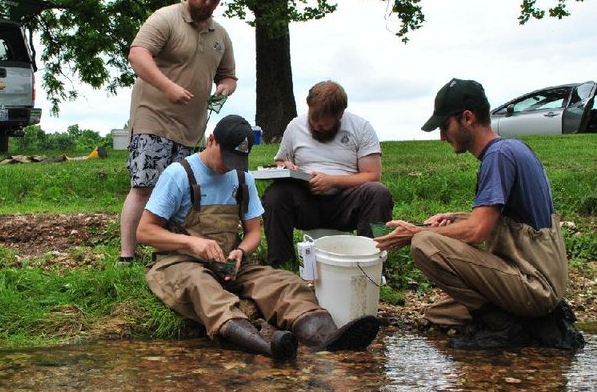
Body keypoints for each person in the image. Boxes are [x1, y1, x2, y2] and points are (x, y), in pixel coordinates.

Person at [136, 114, 380, 360]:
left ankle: (325, 338)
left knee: (285, 282)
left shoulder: (242, 178)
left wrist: (241, 252)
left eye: (236, 161)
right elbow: (145, 231)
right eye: (226, 157)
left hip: (231, 264)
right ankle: (265, 347)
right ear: (212, 141)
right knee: (202, 286)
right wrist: (192, 242)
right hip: (181, 263)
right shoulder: (179, 174)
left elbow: (253, 232)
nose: (229, 166)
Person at [375, 78, 584, 350]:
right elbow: (503, 220)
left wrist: (417, 232)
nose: (441, 136)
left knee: (424, 245)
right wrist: (454, 218)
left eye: (444, 126)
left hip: (535, 282)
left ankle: (506, 328)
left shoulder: (498, 156)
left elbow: (478, 232)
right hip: (538, 277)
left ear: (467, 118)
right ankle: (530, 320)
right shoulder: (512, 149)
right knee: (440, 314)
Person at [118, 0, 238, 264]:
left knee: (181, 192)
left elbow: (229, 76)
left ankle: (171, 251)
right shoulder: (165, 18)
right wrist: (168, 87)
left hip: (192, 128)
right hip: (153, 118)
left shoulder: (220, 35)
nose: (209, 3)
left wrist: (224, 87)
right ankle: (127, 255)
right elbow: (137, 54)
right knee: (145, 187)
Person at [262, 80, 393, 267]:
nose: (316, 126)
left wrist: (332, 181)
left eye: (323, 125)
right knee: (276, 195)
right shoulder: (295, 126)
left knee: (378, 193)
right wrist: (286, 165)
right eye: (312, 121)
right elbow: (281, 160)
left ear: (339, 115)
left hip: (345, 203)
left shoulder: (361, 128)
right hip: (307, 201)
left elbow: (372, 175)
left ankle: (373, 262)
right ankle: (280, 265)